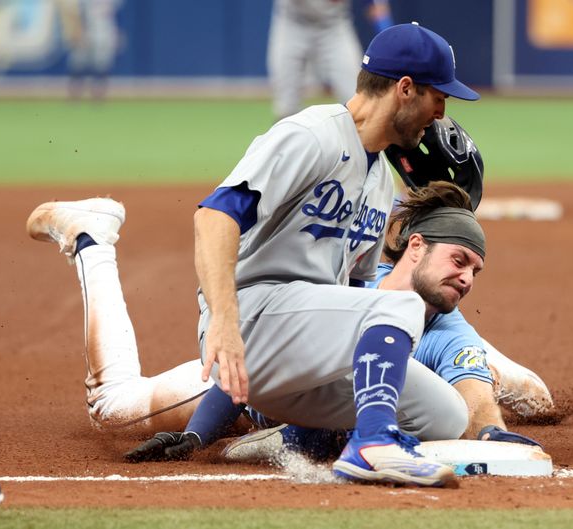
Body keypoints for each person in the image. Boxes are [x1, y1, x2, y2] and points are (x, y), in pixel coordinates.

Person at [28, 22, 482, 488]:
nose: (442, 111)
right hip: (252, 316)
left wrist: (199, 433)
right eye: (438, 95)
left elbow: (349, 307)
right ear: (405, 89)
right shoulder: (313, 135)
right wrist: (225, 322)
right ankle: (372, 444)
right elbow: (213, 217)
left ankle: (301, 439)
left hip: (290, 353)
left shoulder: (380, 180)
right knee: (399, 303)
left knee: (443, 413)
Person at [268, 0, 393, 120]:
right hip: (293, 22)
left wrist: (391, 41)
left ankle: (359, 140)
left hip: (334, 25)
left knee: (357, 95)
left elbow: (376, 9)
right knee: (286, 105)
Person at [55, 0, 123, 100]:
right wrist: (76, 31)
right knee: (78, 64)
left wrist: (116, 33)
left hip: (104, 34)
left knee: (101, 65)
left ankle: (98, 95)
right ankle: (74, 94)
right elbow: (72, 12)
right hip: (84, 33)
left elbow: (112, 16)